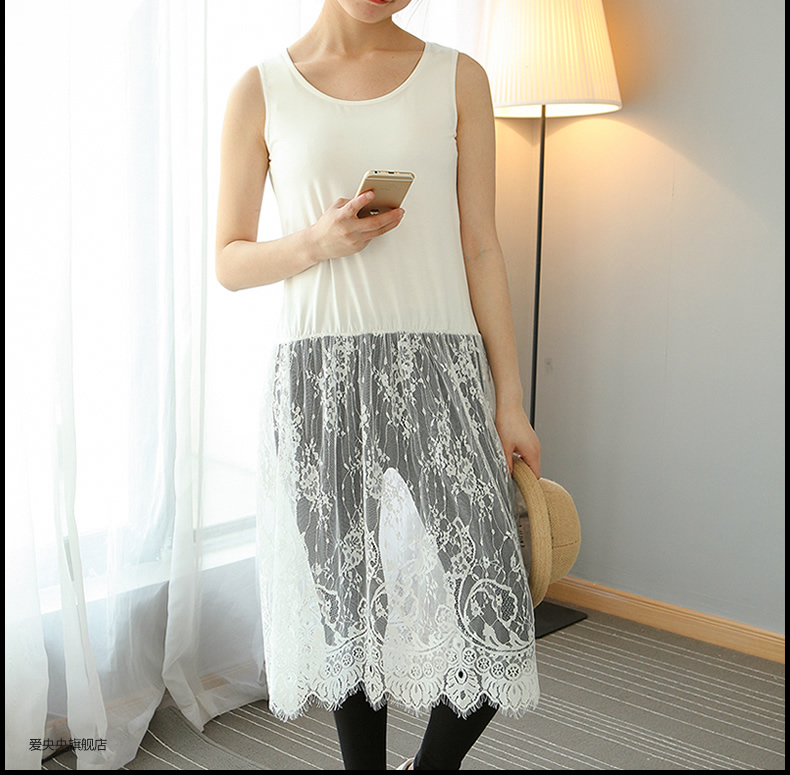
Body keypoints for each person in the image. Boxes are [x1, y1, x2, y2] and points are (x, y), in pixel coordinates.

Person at [215, 0, 542, 769]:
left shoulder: (459, 78)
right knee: (349, 612)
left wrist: (510, 398)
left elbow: (482, 247)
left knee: (498, 594)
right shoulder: (261, 89)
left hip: (441, 370)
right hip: (319, 377)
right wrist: (316, 241)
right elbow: (229, 259)